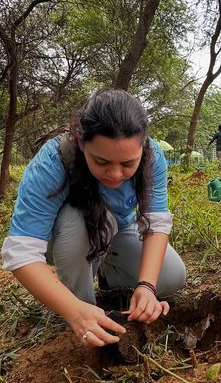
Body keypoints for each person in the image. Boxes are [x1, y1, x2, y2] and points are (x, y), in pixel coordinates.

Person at [2, 90, 186, 347]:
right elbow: (21, 253)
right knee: (87, 222)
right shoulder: (53, 161)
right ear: (80, 142)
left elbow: (156, 225)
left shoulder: (152, 157)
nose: (115, 174)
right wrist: (74, 311)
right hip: (69, 234)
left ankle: (106, 274)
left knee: (171, 277)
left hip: (118, 229)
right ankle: (83, 308)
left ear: (142, 148)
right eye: (101, 161)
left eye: (127, 164)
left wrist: (146, 286)